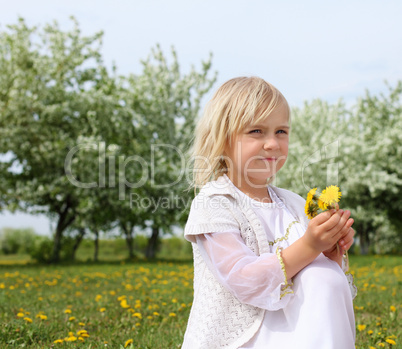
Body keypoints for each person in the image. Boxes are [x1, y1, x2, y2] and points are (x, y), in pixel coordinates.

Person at [181, 77, 357, 349]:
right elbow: (243, 279)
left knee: (323, 276)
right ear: (222, 139)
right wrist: (310, 246)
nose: (273, 143)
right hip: (242, 338)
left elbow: (311, 279)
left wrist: (329, 254)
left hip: (297, 332)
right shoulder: (215, 203)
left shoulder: (293, 203)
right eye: (256, 131)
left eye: (281, 132)